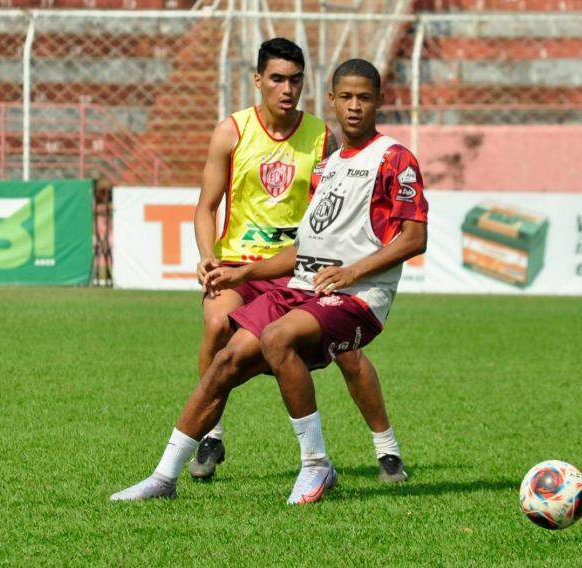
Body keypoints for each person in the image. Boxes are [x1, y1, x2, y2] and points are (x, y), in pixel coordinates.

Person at [110, 58, 427, 504]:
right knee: (227, 361)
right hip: (305, 287)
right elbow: (306, 249)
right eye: (347, 97)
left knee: (278, 338)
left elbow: (415, 238)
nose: (355, 107)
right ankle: (164, 478)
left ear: (379, 102)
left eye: (365, 98)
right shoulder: (329, 165)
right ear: (333, 100)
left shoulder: (395, 158)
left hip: (356, 297)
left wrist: (352, 272)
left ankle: (318, 466)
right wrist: (244, 272)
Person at [189, 38, 407, 482]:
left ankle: (386, 450)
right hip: (239, 267)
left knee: (349, 354)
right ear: (258, 81)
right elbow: (205, 207)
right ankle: (211, 436)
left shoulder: (323, 137)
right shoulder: (232, 131)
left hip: (299, 268)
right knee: (216, 327)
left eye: (295, 80)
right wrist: (209, 259)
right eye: (277, 79)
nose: (286, 89)